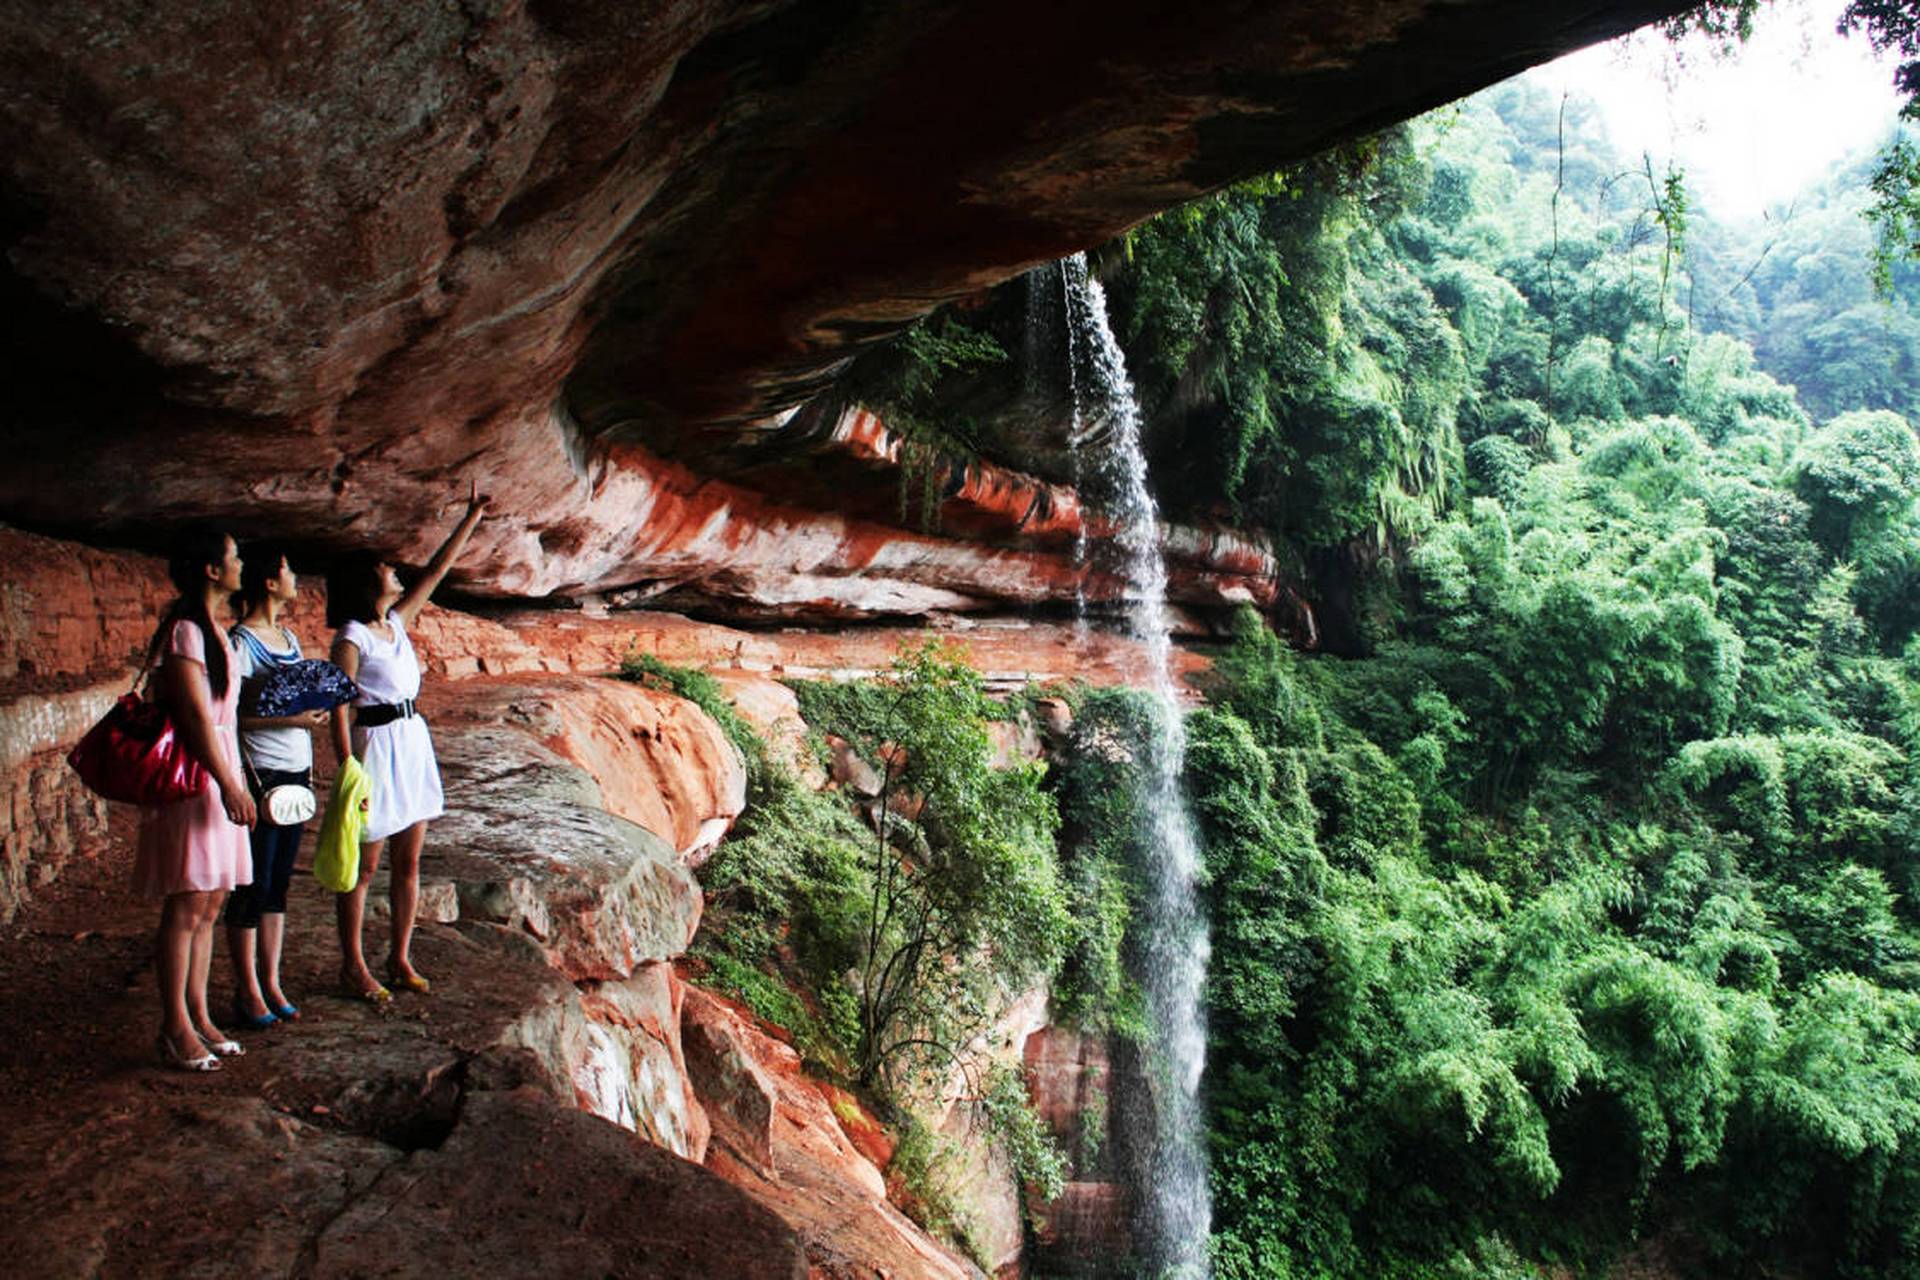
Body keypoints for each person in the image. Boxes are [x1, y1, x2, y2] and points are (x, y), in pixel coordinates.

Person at [327, 484, 487, 1000]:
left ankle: (399, 957)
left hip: (411, 740)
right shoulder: (352, 637)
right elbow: (337, 706)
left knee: (409, 861)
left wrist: (472, 517)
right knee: (366, 864)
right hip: (375, 744)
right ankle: (353, 965)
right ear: (365, 582)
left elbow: (436, 573)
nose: (395, 574)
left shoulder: (395, 622)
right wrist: (349, 770)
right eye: (386, 569)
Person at [138, 529, 258, 1072]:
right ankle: (174, 1027)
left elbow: (224, 718)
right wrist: (228, 783)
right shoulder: (186, 631)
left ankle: (200, 1014)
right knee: (188, 903)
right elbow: (192, 717)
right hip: (196, 777)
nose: (240, 563)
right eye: (232, 556)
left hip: (222, 766)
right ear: (211, 570)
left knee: (212, 901)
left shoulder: (216, 631)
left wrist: (239, 778)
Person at [225, 543, 328, 1028]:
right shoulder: (242, 644)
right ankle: (247, 990)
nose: (294, 579)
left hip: (295, 772)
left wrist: (311, 713)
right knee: (253, 883)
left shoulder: (287, 637)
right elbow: (232, 717)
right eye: (287, 570)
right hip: (262, 774)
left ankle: (272, 980)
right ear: (269, 583)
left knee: (278, 885)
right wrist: (295, 719)